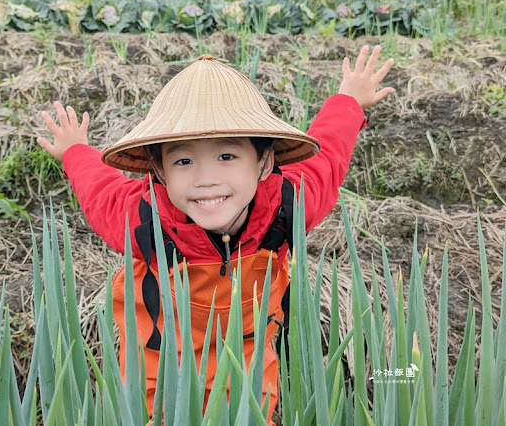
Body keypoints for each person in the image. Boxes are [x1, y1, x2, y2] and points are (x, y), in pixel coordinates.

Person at [37, 45, 395, 423]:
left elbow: (328, 158)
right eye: (184, 160)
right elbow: (99, 190)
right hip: (156, 388)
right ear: (158, 170)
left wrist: (349, 101)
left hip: (247, 380)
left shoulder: (286, 207)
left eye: (227, 156)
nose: (206, 179)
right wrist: (75, 150)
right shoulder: (142, 219)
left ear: (264, 160)